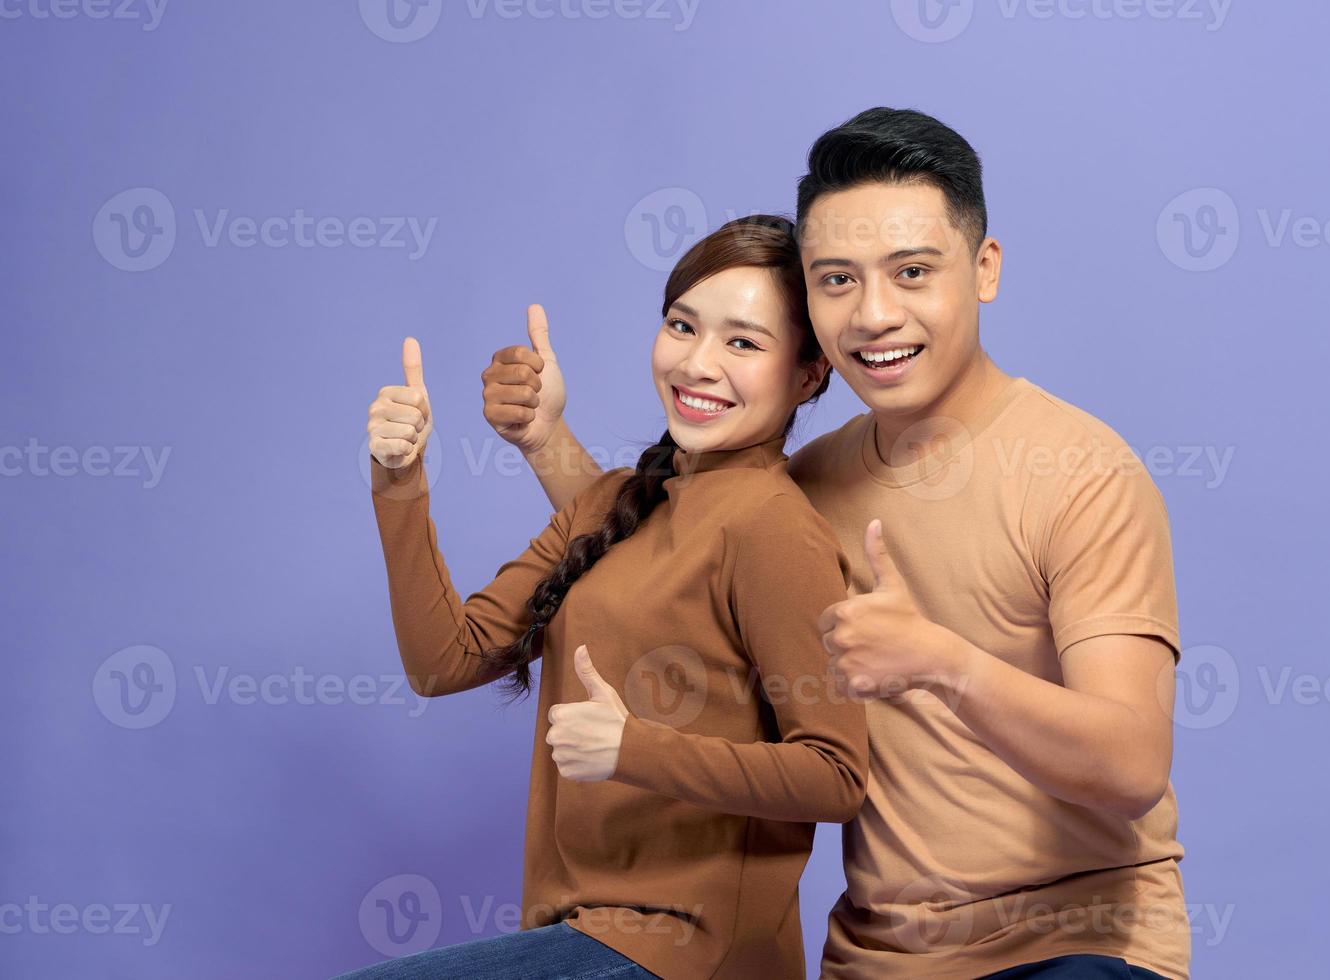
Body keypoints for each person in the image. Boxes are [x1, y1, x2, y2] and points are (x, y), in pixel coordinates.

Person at [481, 109, 1190, 979]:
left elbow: (1129, 763)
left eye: (913, 272)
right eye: (836, 281)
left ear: (985, 268)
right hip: (876, 960)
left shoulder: (1081, 473)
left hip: (1073, 949)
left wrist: (940, 661)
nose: (874, 314)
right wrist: (545, 439)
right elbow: (649, 548)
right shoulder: (802, 487)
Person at [341, 216, 868, 980]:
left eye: (743, 343)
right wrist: (399, 476)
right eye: (681, 326)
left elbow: (834, 773)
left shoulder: (770, 527)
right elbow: (442, 661)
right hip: (579, 934)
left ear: (807, 374)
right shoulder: (614, 503)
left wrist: (635, 750)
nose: (697, 363)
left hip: (690, 954)